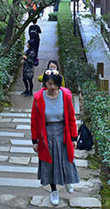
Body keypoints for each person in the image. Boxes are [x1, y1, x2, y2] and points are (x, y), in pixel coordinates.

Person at [30, 69, 80, 206]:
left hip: (63, 132)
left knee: (66, 160)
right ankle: (54, 190)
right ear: (45, 83)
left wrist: (74, 138)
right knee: (50, 164)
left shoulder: (66, 96)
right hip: (46, 134)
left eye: (54, 84)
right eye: (49, 84)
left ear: (59, 84)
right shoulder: (38, 98)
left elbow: (71, 118)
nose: (52, 87)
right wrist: (35, 141)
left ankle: (67, 181)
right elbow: (34, 121)